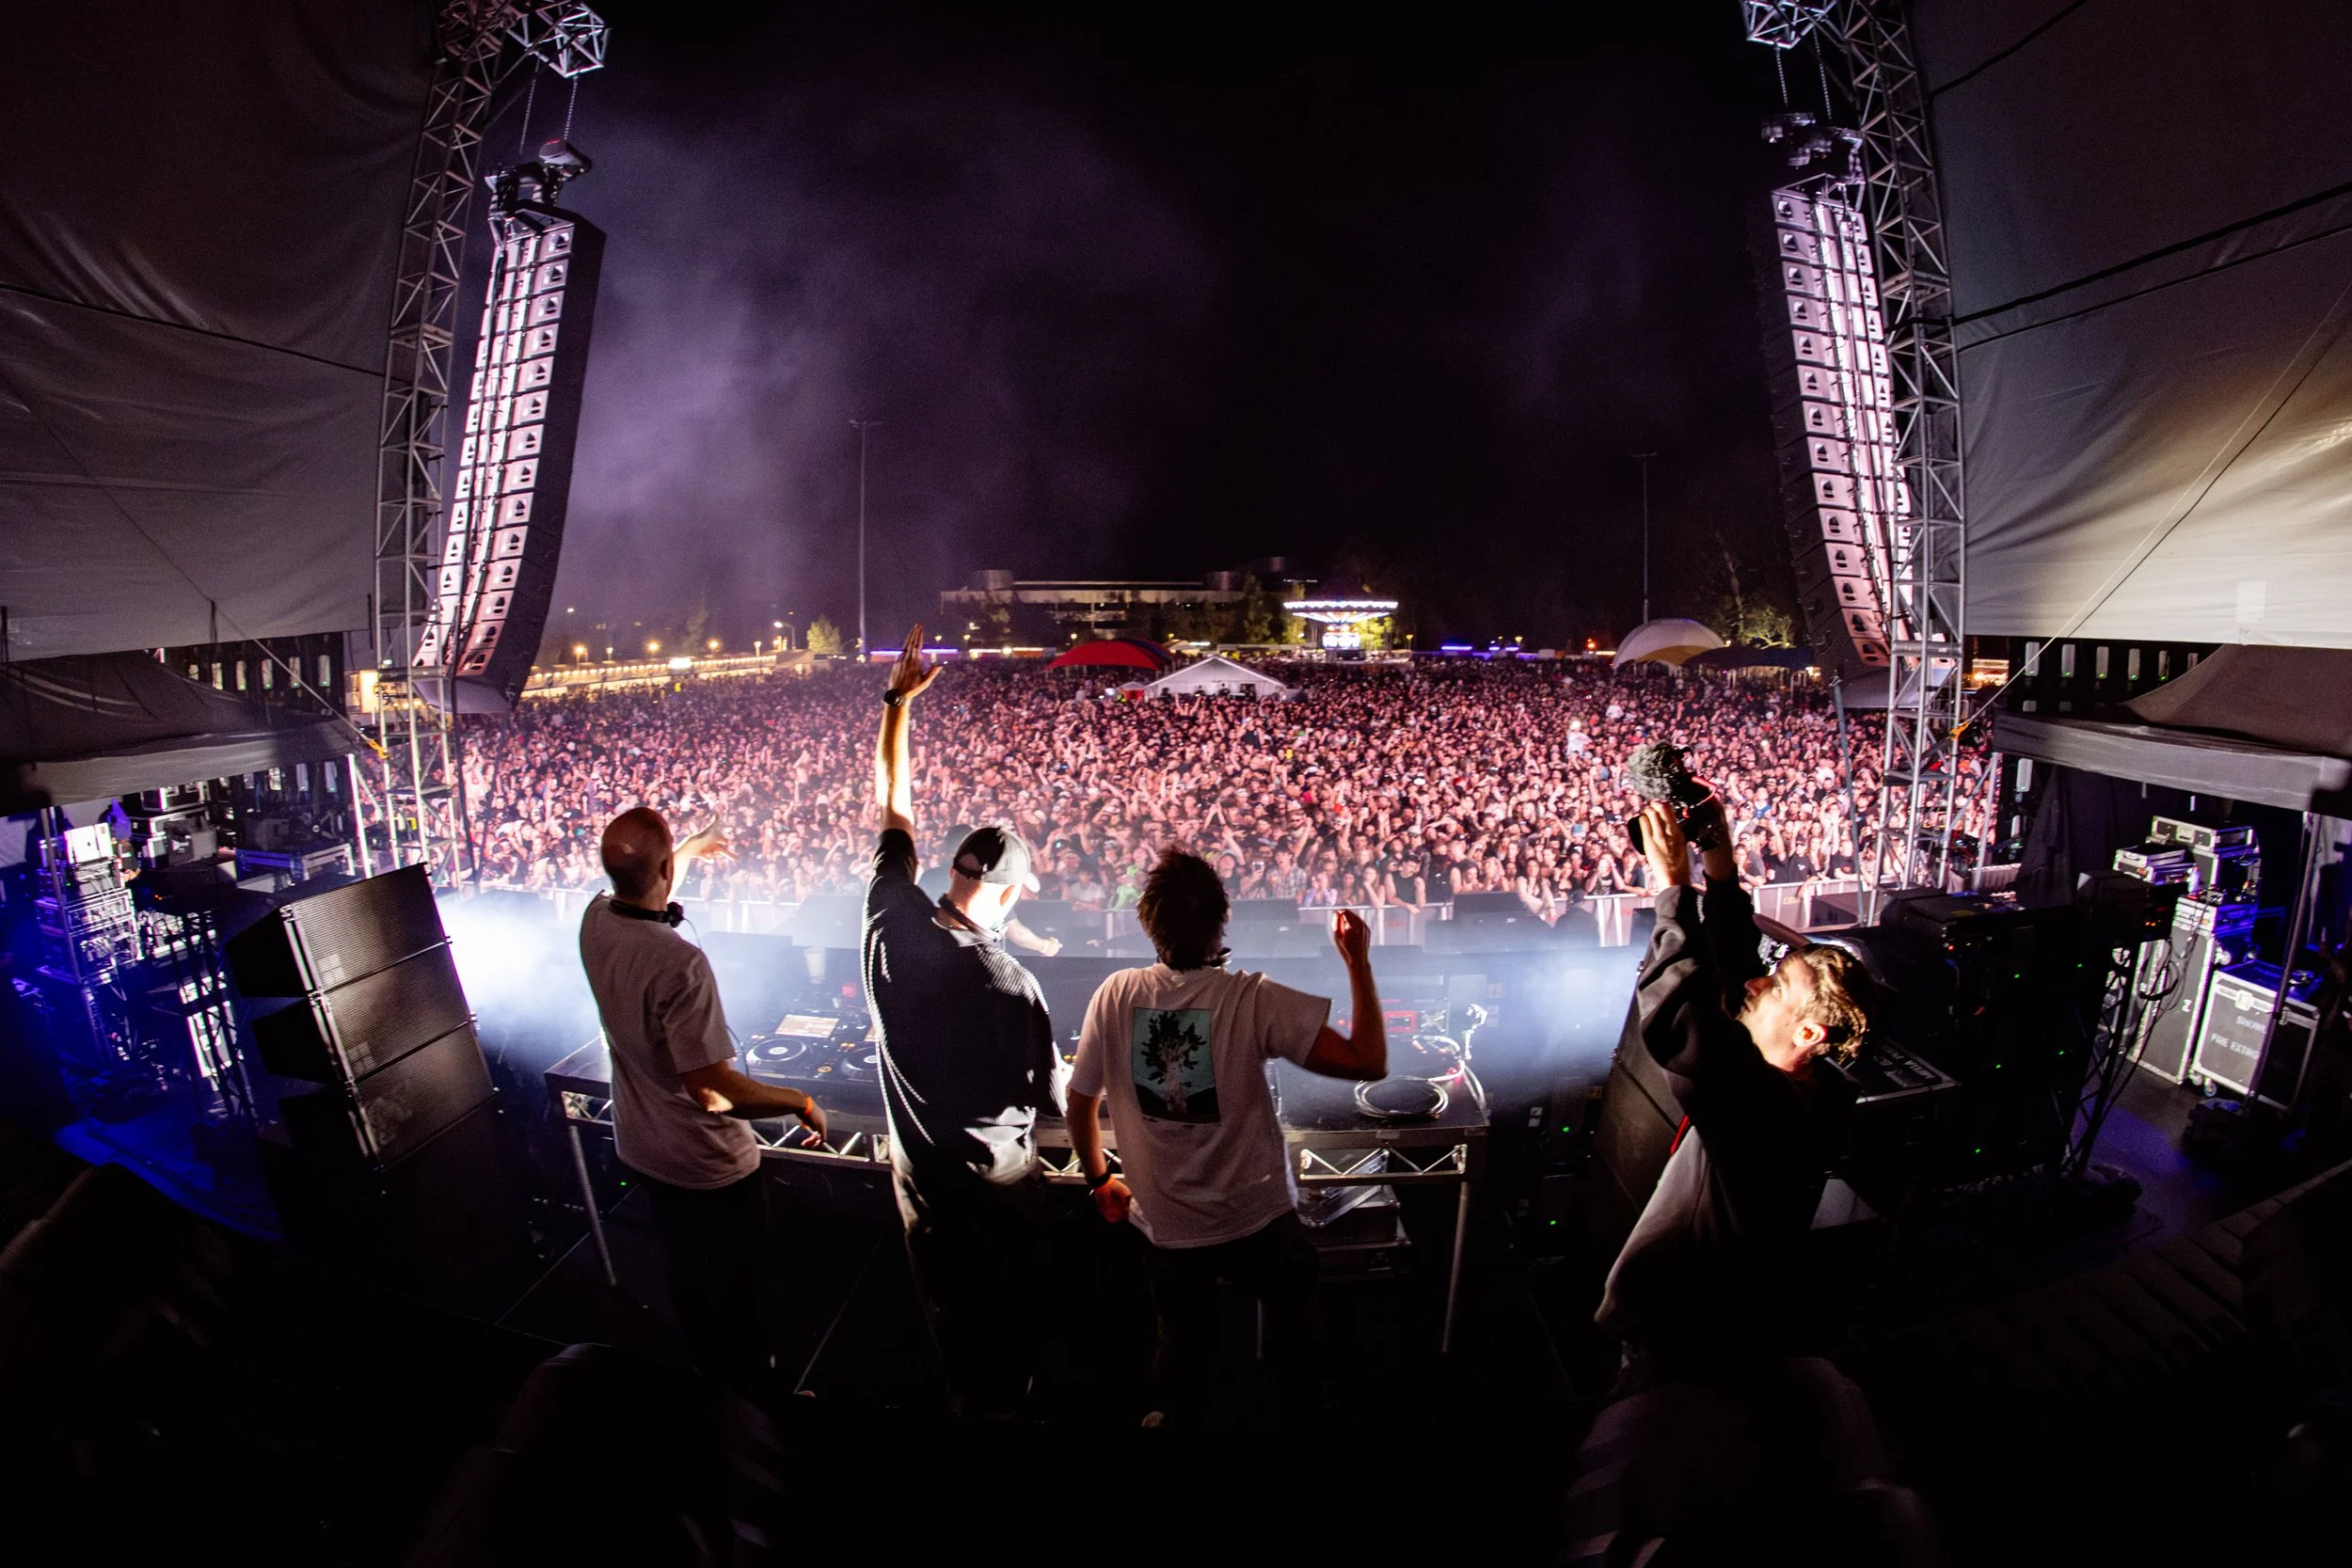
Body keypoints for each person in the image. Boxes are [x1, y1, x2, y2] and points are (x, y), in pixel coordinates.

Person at [1067, 847, 1388, 1424]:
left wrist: (1099, 1180)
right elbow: (1368, 1060)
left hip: (1167, 1224)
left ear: (1149, 923)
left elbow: (1080, 1100)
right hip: (1258, 1217)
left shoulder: (1114, 994)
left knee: (1181, 1345)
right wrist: (1358, 962)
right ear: (1222, 922)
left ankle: (1172, 1422)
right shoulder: (1251, 997)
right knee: (1296, 1341)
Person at [1595, 798, 1878, 1387]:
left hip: (1679, 1342)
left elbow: (1683, 1017)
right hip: (1712, 1321)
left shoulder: (1770, 1110)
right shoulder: (1809, 1087)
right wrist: (1718, 865)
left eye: (1775, 987)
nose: (1755, 984)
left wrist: (1673, 887)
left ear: (1808, 1033)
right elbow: (1736, 963)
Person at [863, 626, 1068, 1417]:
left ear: (952, 870)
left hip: (918, 1184)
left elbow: (893, 806)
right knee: (1010, 1345)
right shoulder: (1012, 985)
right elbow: (1056, 1097)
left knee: (952, 1340)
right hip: (996, 1196)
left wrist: (897, 706)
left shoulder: (888, 912)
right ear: (1010, 895)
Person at [578, 806, 827, 1394]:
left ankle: (706, 1381)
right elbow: (714, 1093)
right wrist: (798, 1100)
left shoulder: (594, 917)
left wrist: (688, 847)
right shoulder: (680, 962)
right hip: (706, 1162)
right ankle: (757, 1398)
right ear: (664, 869)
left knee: (686, 1272)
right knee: (742, 1287)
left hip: (642, 1145)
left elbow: (645, 889)